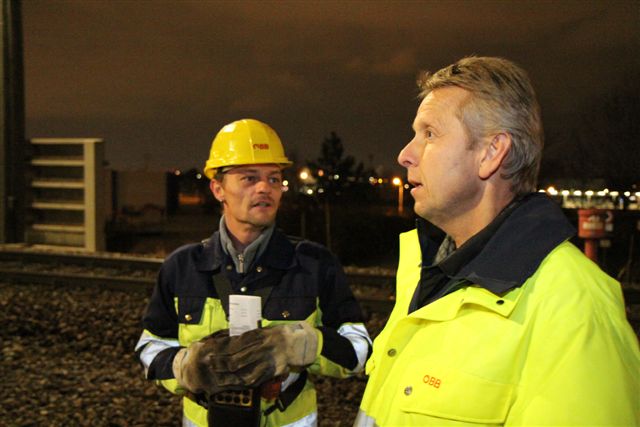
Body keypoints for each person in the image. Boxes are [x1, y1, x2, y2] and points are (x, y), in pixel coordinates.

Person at [356, 56, 640, 426]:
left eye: (429, 134)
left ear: (491, 153)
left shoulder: (576, 308)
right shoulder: (425, 273)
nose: (405, 154)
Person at [135, 118, 371, 427]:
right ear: (218, 188)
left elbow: (359, 352)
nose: (265, 188)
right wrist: (185, 367)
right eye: (249, 178)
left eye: (274, 179)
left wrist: (303, 345)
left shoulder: (315, 264)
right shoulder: (182, 268)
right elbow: (151, 347)